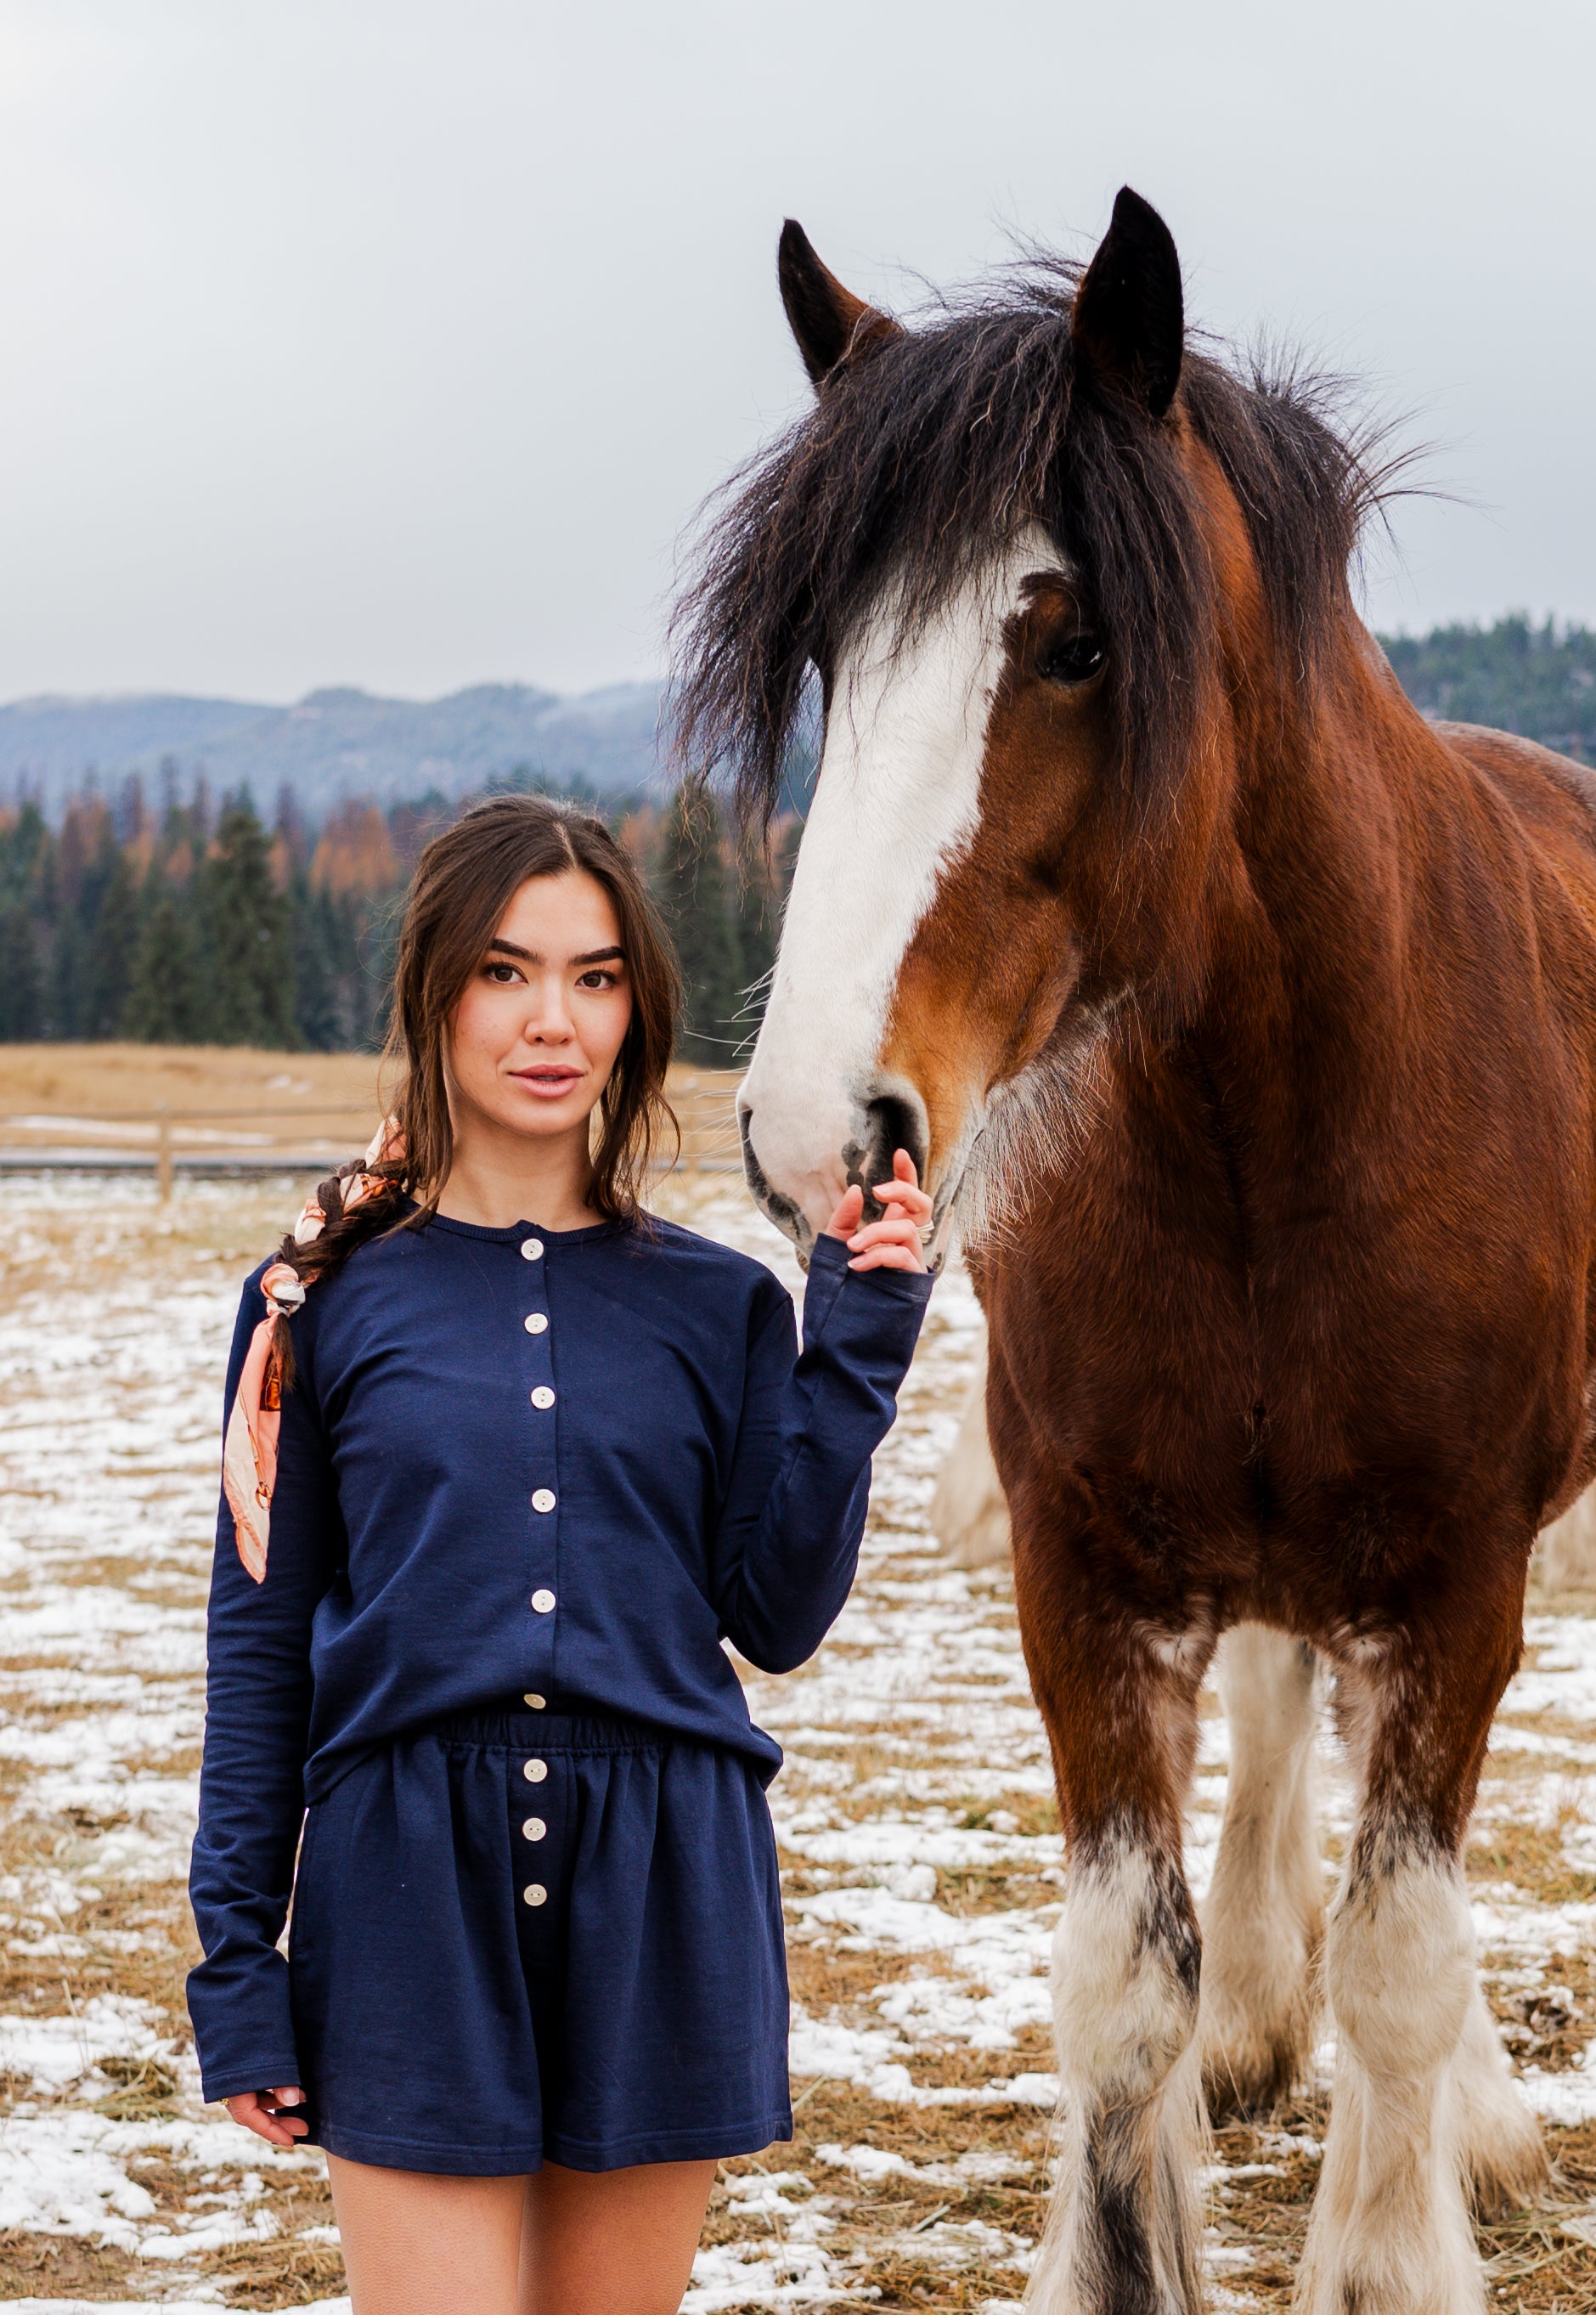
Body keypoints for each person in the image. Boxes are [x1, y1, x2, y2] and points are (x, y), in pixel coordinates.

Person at [187, 793, 933, 2315]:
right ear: (435, 992)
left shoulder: (725, 1308)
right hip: (404, 1892)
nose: (553, 1019)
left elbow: (776, 1616)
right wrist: (236, 1965)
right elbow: (259, 1647)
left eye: (595, 977)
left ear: (637, 1010)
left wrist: (854, 1346)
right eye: (506, 970)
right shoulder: (315, 1306)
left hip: (667, 1883)